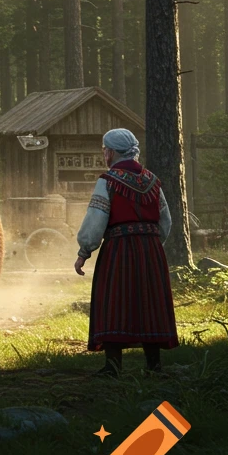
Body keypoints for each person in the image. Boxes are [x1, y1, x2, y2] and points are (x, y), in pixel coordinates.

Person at [73, 128, 178, 376]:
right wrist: (152, 244)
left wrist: (84, 251)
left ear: (110, 152)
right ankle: (154, 365)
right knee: (149, 302)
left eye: (104, 149)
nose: (103, 154)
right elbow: (166, 221)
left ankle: (113, 367)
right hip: (151, 250)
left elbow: (96, 219)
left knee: (114, 300)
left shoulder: (108, 181)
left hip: (119, 249)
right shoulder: (153, 180)